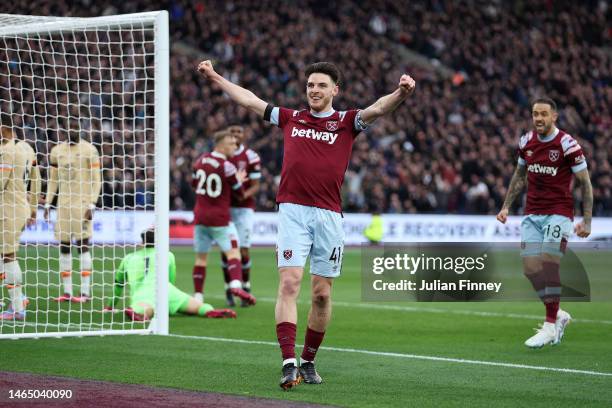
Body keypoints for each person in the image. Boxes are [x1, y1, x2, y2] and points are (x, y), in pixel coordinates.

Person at [197, 60, 415, 389]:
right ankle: (288, 362)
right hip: (292, 211)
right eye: (310, 85)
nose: (314, 90)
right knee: (289, 283)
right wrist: (215, 76)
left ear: (334, 90)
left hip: (329, 216)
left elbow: (379, 108)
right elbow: (248, 99)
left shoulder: (346, 122)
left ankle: (309, 360)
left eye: (321, 85)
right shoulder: (291, 118)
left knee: (322, 295)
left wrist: (401, 92)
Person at [497, 97, 593, 348]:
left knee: (550, 262)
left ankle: (550, 326)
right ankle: (558, 314)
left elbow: (585, 183)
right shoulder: (526, 142)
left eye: (543, 114)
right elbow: (519, 176)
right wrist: (506, 206)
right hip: (532, 213)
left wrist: (587, 220)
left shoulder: (567, 144)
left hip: (559, 213)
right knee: (530, 269)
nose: (538, 118)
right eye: (534, 114)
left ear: (554, 117)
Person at [105, 228, 235, 321]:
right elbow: (171, 280)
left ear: (142, 243)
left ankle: (138, 312)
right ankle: (209, 310)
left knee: (146, 307)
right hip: (168, 291)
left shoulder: (128, 258)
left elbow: (118, 285)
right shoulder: (168, 255)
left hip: (142, 293)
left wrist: (110, 306)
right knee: (196, 306)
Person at [191, 130, 256, 306]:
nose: (234, 147)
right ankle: (236, 284)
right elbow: (239, 193)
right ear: (220, 145)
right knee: (233, 251)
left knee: (201, 258)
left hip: (200, 217)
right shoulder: (227, 167)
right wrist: (239, 180)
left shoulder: (200, 161)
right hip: (220, 218)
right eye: (231, 143)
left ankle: (198, 296)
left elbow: (194, 184)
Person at [44, 121, 101, 303]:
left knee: (82, 245)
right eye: (69, 127)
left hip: (82, 205)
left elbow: (96, 180)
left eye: (75, 127)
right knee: (64, 246)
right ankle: (67, 292)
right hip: (63, 206)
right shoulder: (56, 151)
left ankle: (85, 293)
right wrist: (47, 203)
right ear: (64, 129)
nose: (72, 130)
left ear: (80, 128)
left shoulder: (90, 150)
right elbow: (53, 181)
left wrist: (92, 204)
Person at [221, 125, 261, 307]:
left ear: (244, 135)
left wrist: (241, 194)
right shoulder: (222, 156)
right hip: (225, 208)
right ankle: (229, 288)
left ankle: (245, 286)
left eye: (239, 131)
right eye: (233, 132)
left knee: (243, 250)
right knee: (226, 250)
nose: (236, 135)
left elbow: (255, 185)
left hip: (244, 208)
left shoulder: (251, 157)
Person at [0, 126, 37, 320]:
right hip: (18, 206)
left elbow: (1, 182)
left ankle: (17, 307)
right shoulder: (26, 149)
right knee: (3, 256)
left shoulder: (7, 150)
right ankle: (18, 299)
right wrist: (33, 207)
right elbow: (35, 179)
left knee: (8, 256)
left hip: (9, 209)